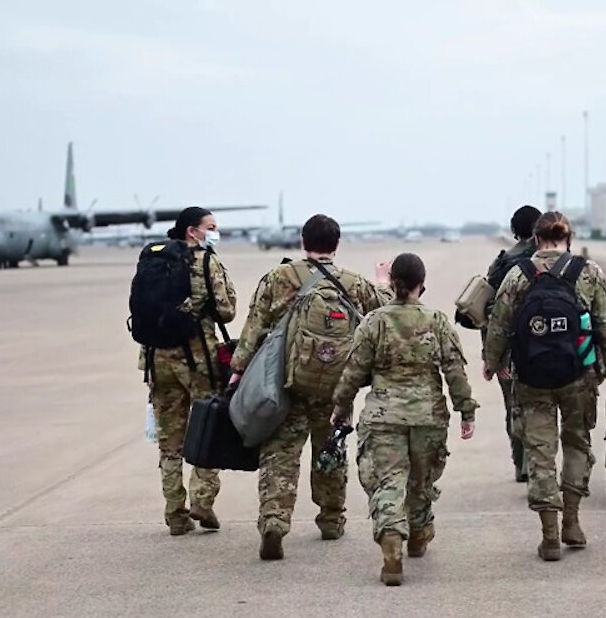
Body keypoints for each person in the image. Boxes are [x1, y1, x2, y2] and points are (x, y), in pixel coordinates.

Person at [229, 214, 392, 561]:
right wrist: (384, 283)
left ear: (303, 242)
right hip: (335, 388)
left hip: (287, 386)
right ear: (336, 245)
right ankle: (331, 519)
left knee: (280, 455)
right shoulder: (352, 283)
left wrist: (238, 369)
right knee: (329, 451)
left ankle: (274, 520)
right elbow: (384, 312)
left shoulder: (279, 278)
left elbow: (254, 327)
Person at [332, 253, 477, 586]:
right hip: (427, 417)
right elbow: (454, 371)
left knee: (388, 483)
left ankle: (392, 547)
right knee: (421, 482)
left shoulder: (373, 321)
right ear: (421, 285)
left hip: (384, 417)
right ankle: (420, 531)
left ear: (393, 283)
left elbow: (353, 372)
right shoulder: (437, 321)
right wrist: (465, 410)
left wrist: (340, 406)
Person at [483, 211, 606, 561]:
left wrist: (492, 362)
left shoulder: (518, 274)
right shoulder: (588, 272)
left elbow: (499, 324)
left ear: (536, 239)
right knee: (577, 443)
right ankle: (572, 520)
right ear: (567, 239)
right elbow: (605, 325)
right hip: (578, 374)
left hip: (531, 378)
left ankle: (550, 535)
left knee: (540, 452)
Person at [146, 207, 237, 536]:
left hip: (158, 360)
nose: (215, 232)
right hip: (198, 361)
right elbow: (227, 311)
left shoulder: (154, 261)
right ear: (192, 231)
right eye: (210, 227)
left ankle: (175, 513)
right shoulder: (205, 260)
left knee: (169, 443)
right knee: (208, 429)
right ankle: (203, 500)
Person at [470, 205, 542, 485]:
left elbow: (486, 312)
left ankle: (521, 462)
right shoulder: (556, 261)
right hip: (548, 346)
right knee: (544, 406)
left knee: (513, 405)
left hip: (510, 349)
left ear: (513, 231)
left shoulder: (501, 264)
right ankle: (539, 462)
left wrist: (491, 357)